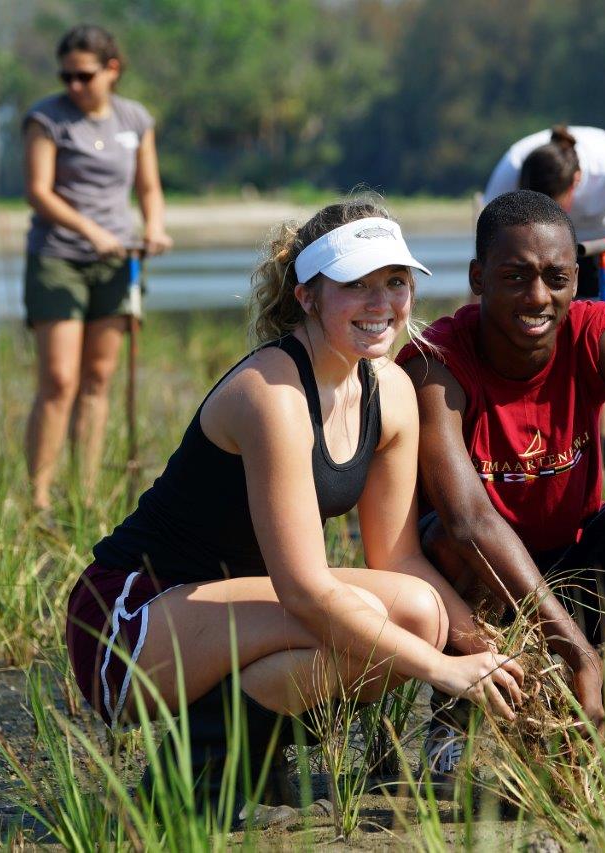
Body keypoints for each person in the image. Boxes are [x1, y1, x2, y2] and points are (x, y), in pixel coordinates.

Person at [64, 199, 524, 821]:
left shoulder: (389, 390)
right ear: (307, 296)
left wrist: (489, 648)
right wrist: (446, 671)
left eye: (395, 282)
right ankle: (190, 772)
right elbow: (306, 592)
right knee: (373, 623)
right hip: (131, 622)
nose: (380, 303)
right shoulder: (272, 394)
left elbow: (401, 558)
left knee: (420, 613)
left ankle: (243, 764)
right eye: (355, 284)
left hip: (238, 612)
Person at [397, 190, 605, 781]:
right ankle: (454, 719)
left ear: (576, 278)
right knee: (455, 545)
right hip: (478, 585)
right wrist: (571, 647)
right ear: (479, 278)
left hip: (575, 564)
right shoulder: (436, 361)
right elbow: (467, 520)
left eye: (556, 278)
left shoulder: (600, 333)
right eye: (515, 276)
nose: (538, 297)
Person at [22, 24, 172, 510]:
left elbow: (148, 186)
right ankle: (39, 495)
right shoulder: (47, 119)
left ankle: (84, 494)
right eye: (65, 76)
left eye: (83, 76)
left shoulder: (134, 118)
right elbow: (38, 191)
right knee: (59, 379)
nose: (73, 86)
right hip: (59, 258)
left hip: (118, 262)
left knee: (98, 378)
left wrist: (154, 226)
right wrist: (90, 232)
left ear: (111, 70)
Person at [483, 125, 605, 314]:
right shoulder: (511, 169)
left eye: (554, 207)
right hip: (550, 251)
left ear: (575, 181)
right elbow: (486, 252)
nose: (547, 214)